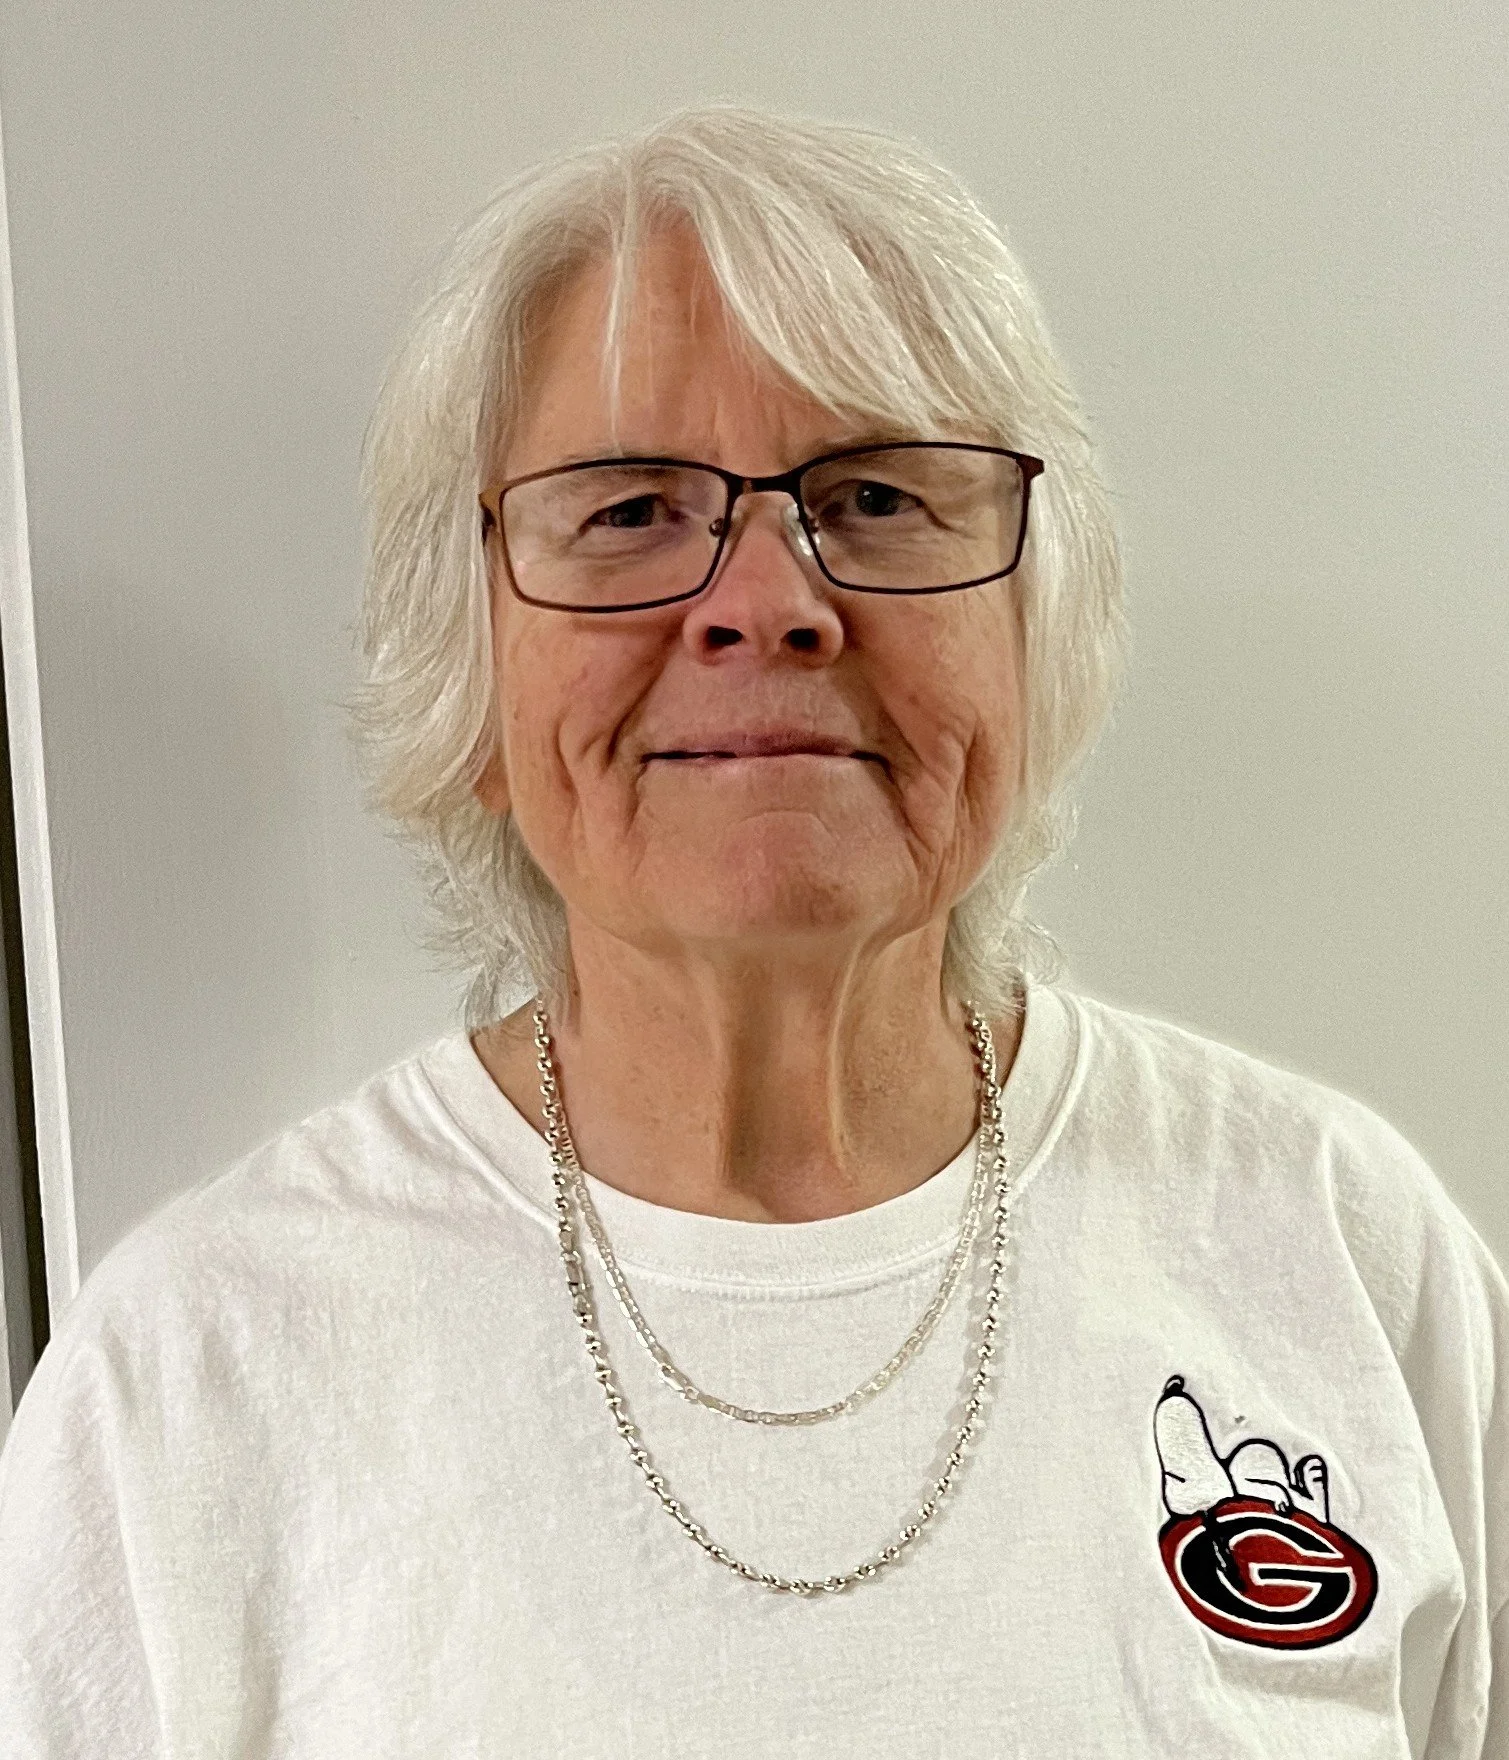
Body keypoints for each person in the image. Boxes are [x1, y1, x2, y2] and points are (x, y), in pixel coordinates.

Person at [0, 103, 1503, 1757]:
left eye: (876, 497)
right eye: (630, 510)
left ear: (1031, 629)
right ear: (470, 665)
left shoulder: (1340, 1250)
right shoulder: (189, 1383)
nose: (769, 602)